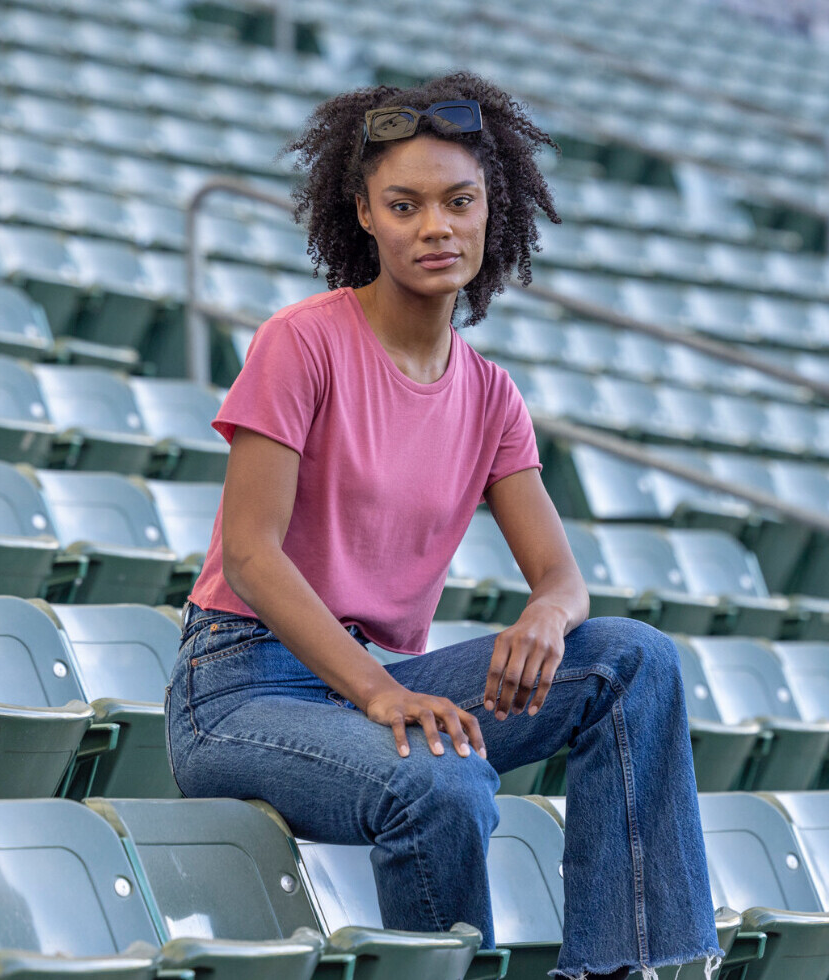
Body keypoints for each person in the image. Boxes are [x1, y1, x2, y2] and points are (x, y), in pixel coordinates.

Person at [165, 71, 722, 980]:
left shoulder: (493, 395)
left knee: (634, 659)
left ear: (489, 211)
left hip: (369, 686)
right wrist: (382, 697)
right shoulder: (300, 343)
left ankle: (626, 968)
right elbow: (252, 557)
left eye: (459, 201)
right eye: (405, 204)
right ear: (364, 217)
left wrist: (547, 615)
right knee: (440, 776)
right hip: (241, 690)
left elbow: (562, 578)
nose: (437, 227)